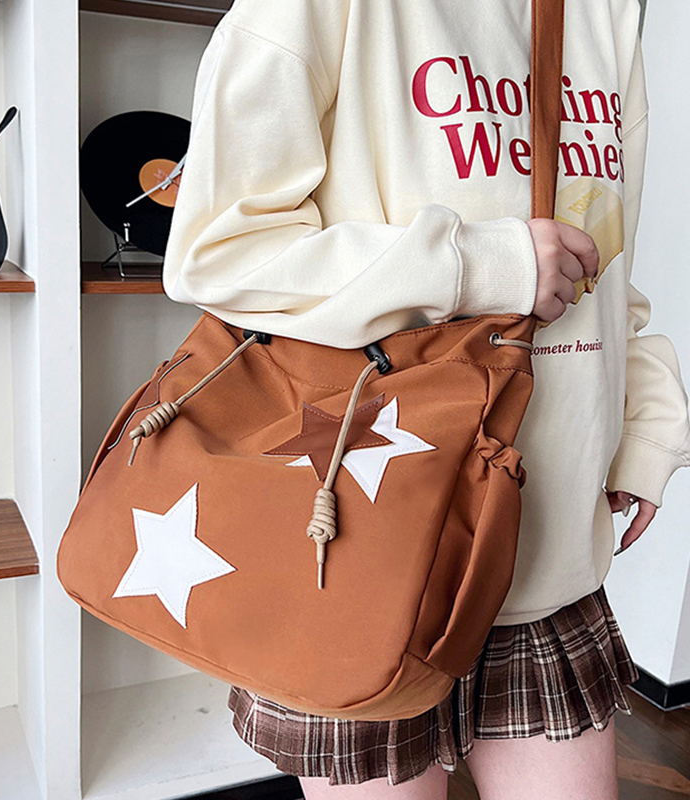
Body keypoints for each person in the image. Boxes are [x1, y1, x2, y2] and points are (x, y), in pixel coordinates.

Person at [161, 0, 690, 797]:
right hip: (363, 551)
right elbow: (217, 251)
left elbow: (608, 257)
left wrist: (645, 422)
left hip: (543, 544)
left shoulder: (604, 11)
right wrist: (483, 265)